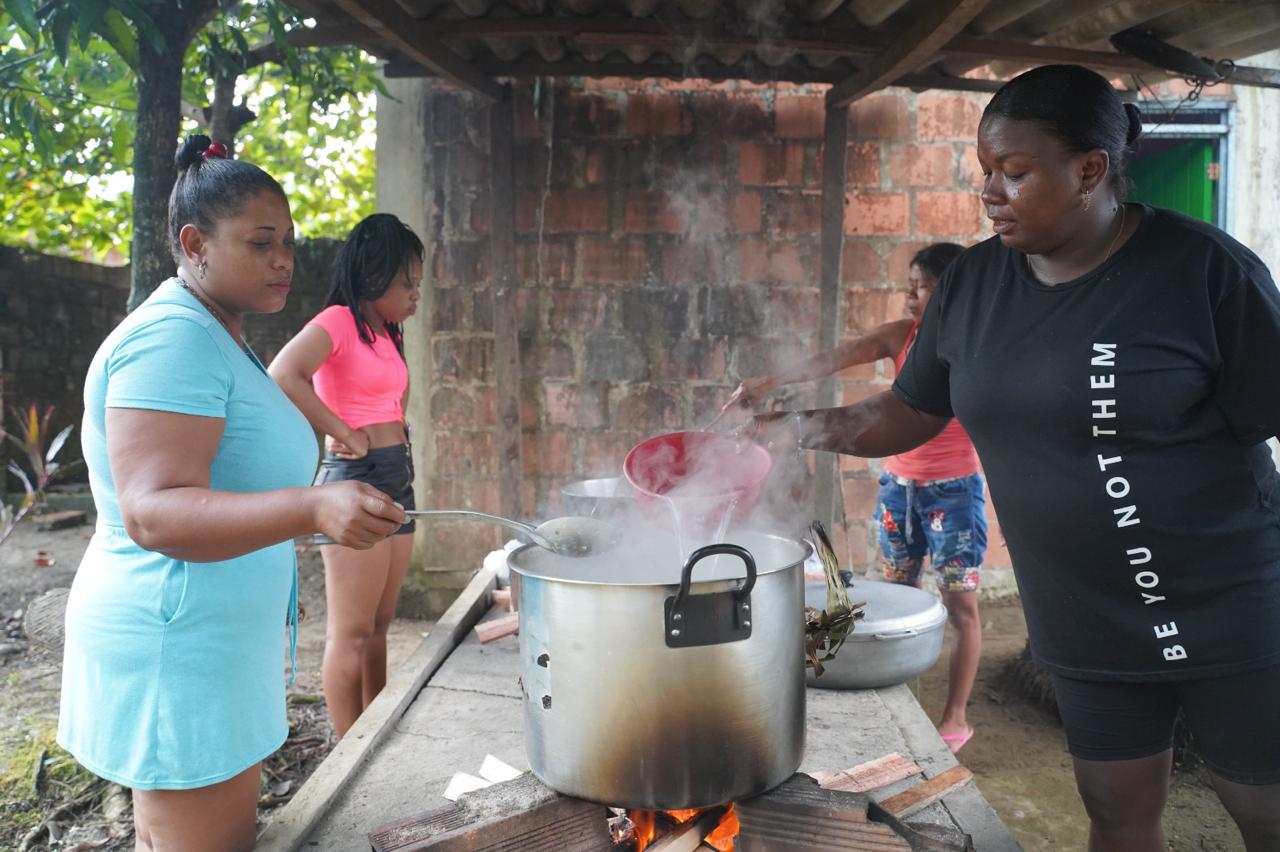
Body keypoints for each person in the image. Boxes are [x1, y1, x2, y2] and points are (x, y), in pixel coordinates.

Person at [745, 64, 1280, 851]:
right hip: (1084, 614)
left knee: (1266, 815)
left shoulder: (1203, 272)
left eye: (1014, 172)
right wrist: (797, 427)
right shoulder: (972, 283)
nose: (989, 192)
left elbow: (1263, 417)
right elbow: (911, 410)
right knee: (1117, 812)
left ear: (1089, 171)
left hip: (1228, 605)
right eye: (985, 171)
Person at [57, 136, 405, 851]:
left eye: (289, 243)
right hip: (177, 648)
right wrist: (313, 506)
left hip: (208, 644)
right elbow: (153, 512)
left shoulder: (217, 334)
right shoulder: (173, 341)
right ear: (196, 245)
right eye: (261, 242)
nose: (284, 260)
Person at [723, 242, 983, 752]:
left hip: (953, 492)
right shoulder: (902, 336)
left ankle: (956, 715)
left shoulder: (974, 344)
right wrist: (768, 382)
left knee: (960, 605)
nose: (910, 296)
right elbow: (835, 358)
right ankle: (904, 703)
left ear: (952, 290)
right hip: (898, 489)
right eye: (908, 286)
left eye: (923, 287)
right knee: (900, 600)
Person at [269, 213, 422, 738]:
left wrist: (398, 425)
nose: (415, 294)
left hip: (397, 475)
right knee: (352, 631)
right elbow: (284, 373)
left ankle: (376, 734)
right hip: (354, 477)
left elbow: (391, 395)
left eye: (418, 283)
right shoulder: (337, 320)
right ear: (374, 276)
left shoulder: (387, 332)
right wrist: (341, 430)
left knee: (380, 624)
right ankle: (347, 750)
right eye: (407, 283)